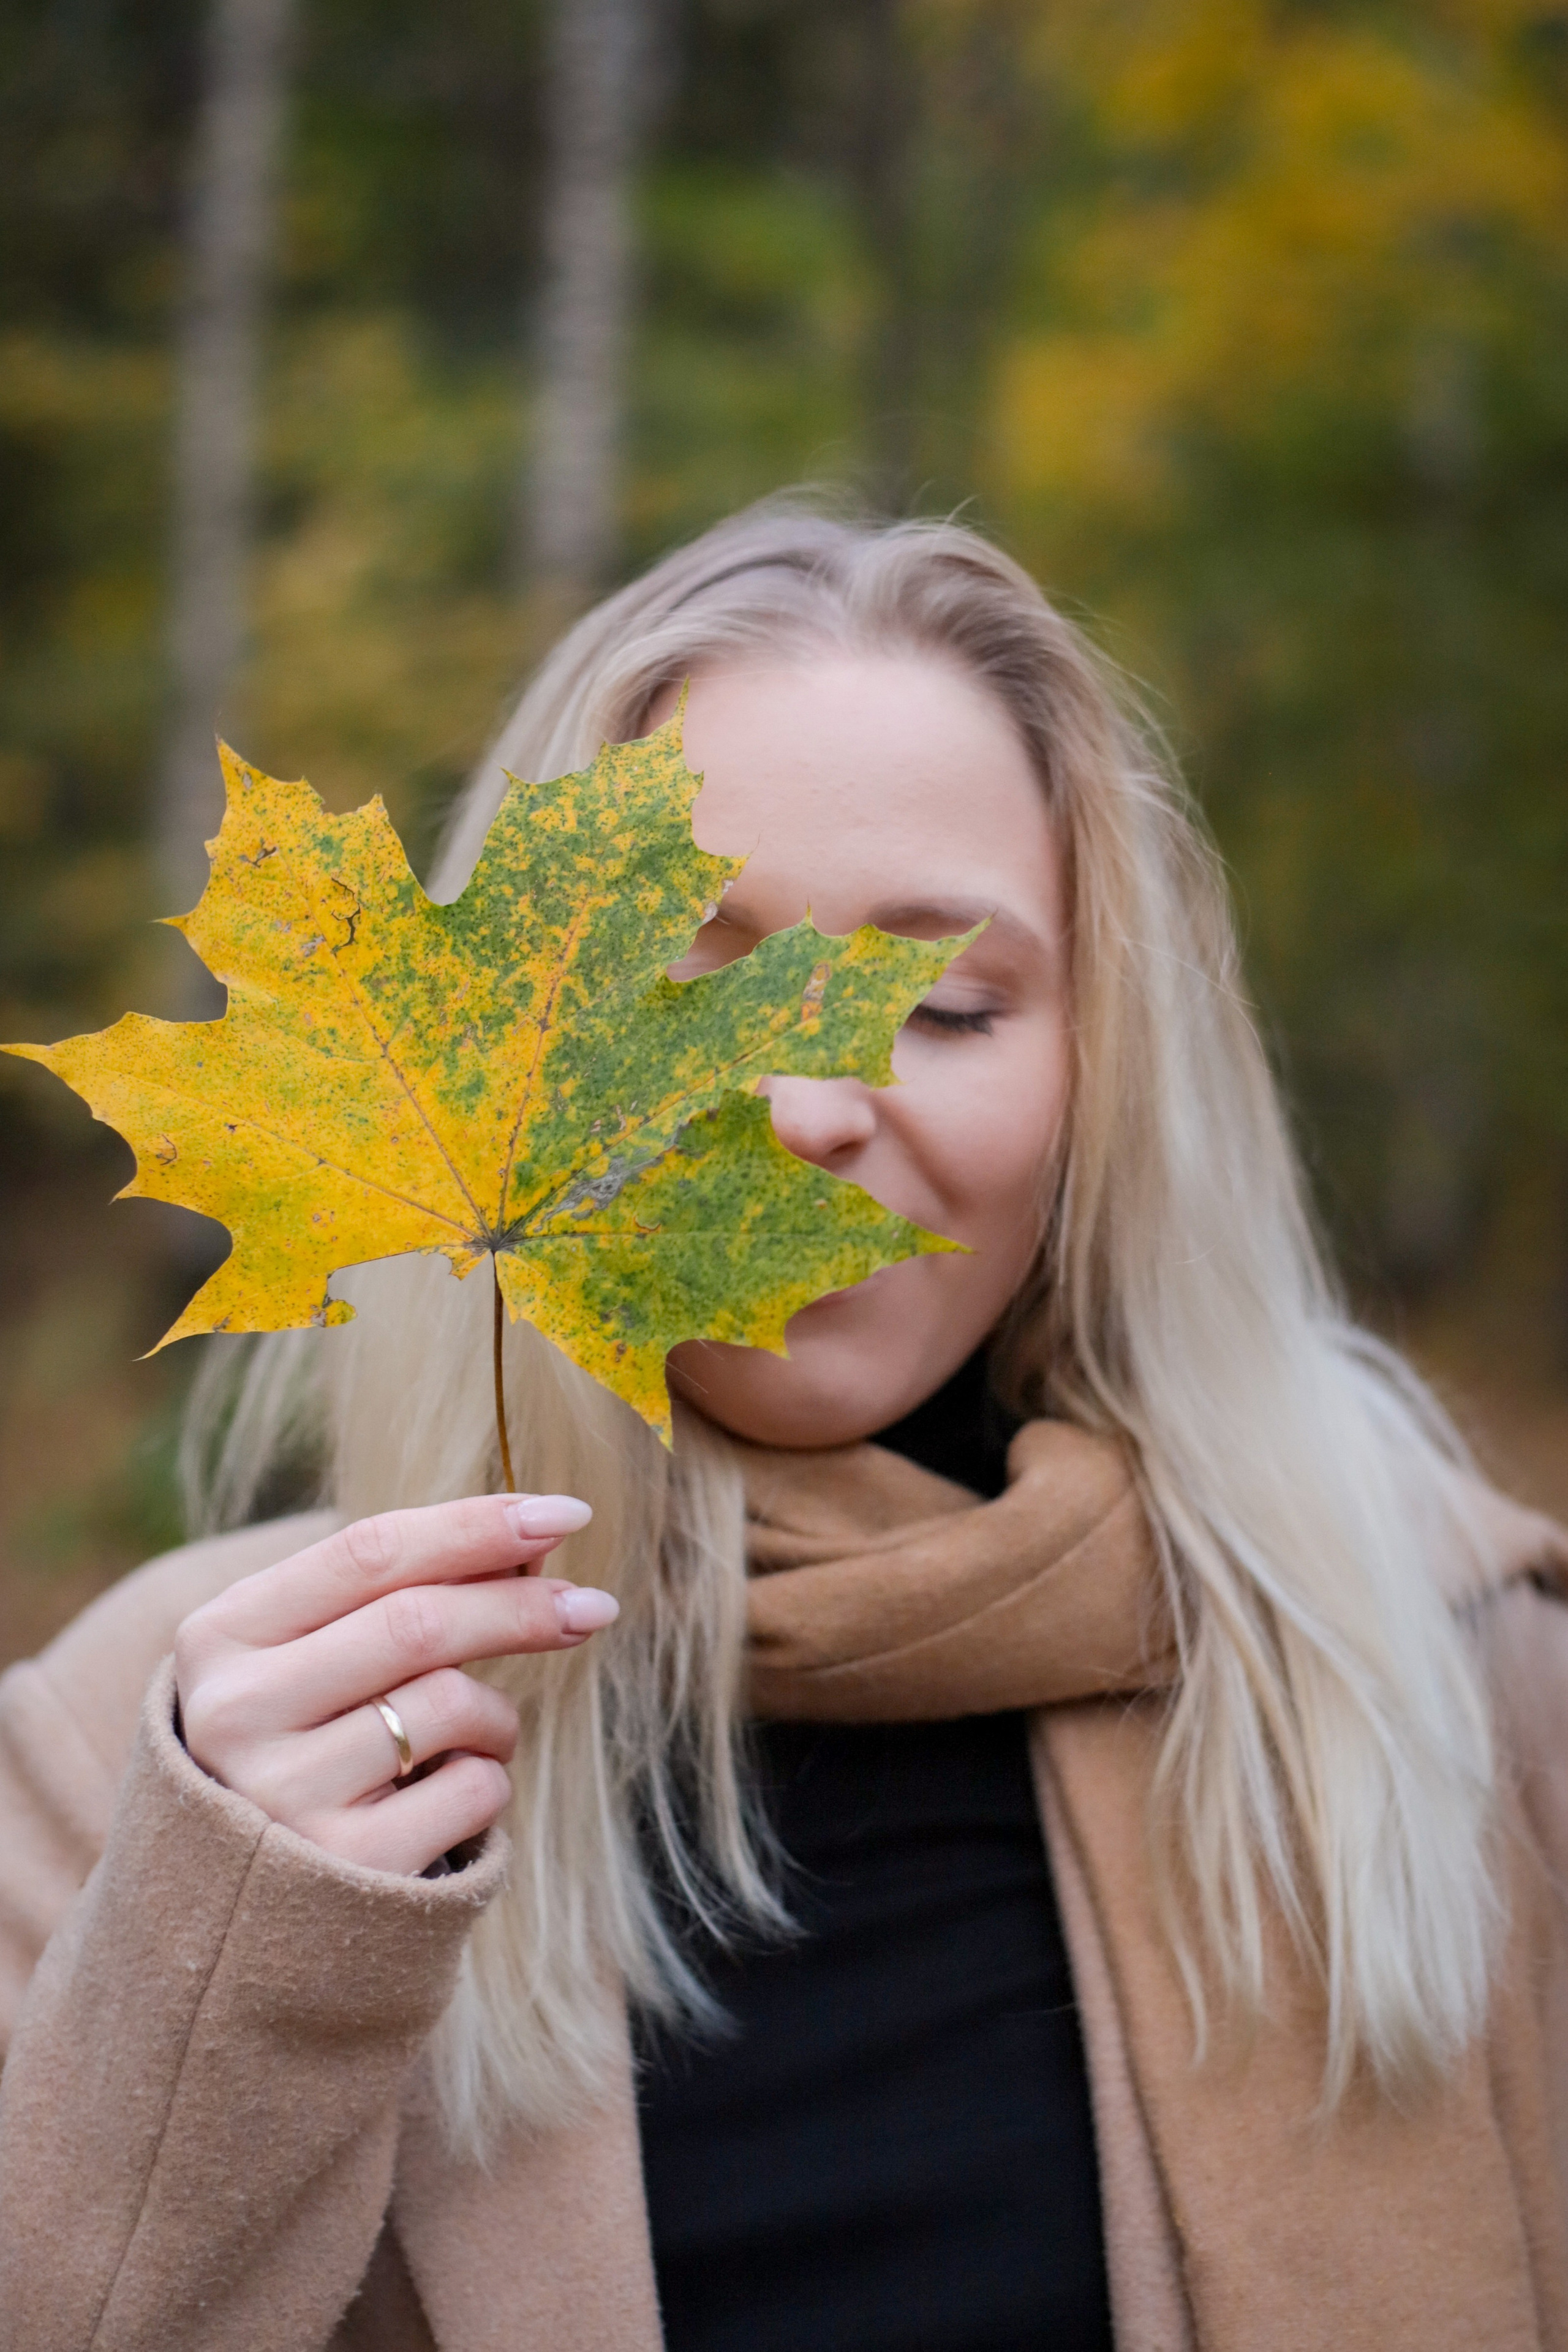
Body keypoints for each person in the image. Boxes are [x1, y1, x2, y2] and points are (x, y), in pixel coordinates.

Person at [1, 503, 1566, 2352]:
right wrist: (235, 1967)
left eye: (945, 999)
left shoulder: (1462, 1694)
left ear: (1106, 1077)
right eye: (678, 982)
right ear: (494, 1066)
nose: (808, 1102)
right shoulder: (175, 1749)